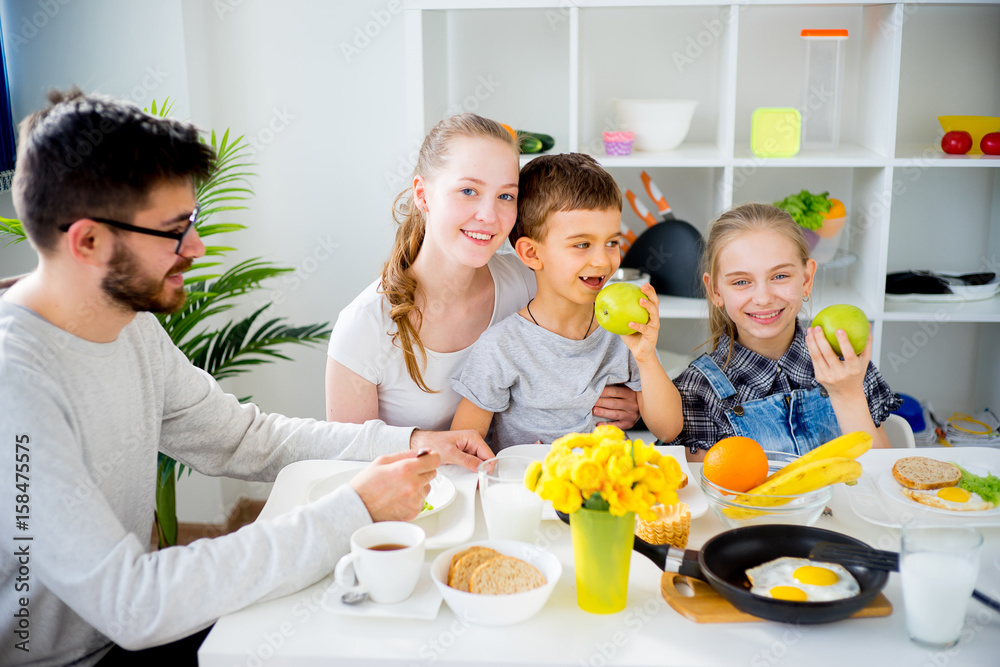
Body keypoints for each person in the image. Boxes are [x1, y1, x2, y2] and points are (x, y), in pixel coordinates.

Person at [0, 88, 490, 667]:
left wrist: (411, 441)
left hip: (122, 634)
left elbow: (244, 439)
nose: (196, 246)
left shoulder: (129, 326)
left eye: (192, 221)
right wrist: (353, 509)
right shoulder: (16, 383)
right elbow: (130, 603)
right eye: (174, 229)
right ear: (88, 241)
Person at [325, 114, 640, 436]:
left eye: (506, 196)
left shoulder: (530, 280)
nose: (489, 216)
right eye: (468, 191)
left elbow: (597, 356)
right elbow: (347, 456)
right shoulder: (364, 326)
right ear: (422, 194)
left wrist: (630, 404)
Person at [449, 153, 683, 450]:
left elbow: (669, 430)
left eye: (612, 242)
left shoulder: (624, 334)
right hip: (532, 479)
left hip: (607, 476)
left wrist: (646, 357)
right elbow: (464, 444)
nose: (602, 260)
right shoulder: (501, 347)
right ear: (532, 254)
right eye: (582, 244)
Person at [669, 202, 900, 460]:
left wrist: (848, 395)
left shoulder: (847, 366)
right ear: (715, 291)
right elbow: (704, 483)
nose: (764, 298)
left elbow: (880, 473)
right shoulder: (697, 389)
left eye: (779, 276)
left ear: (806, 279)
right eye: (741, 281)